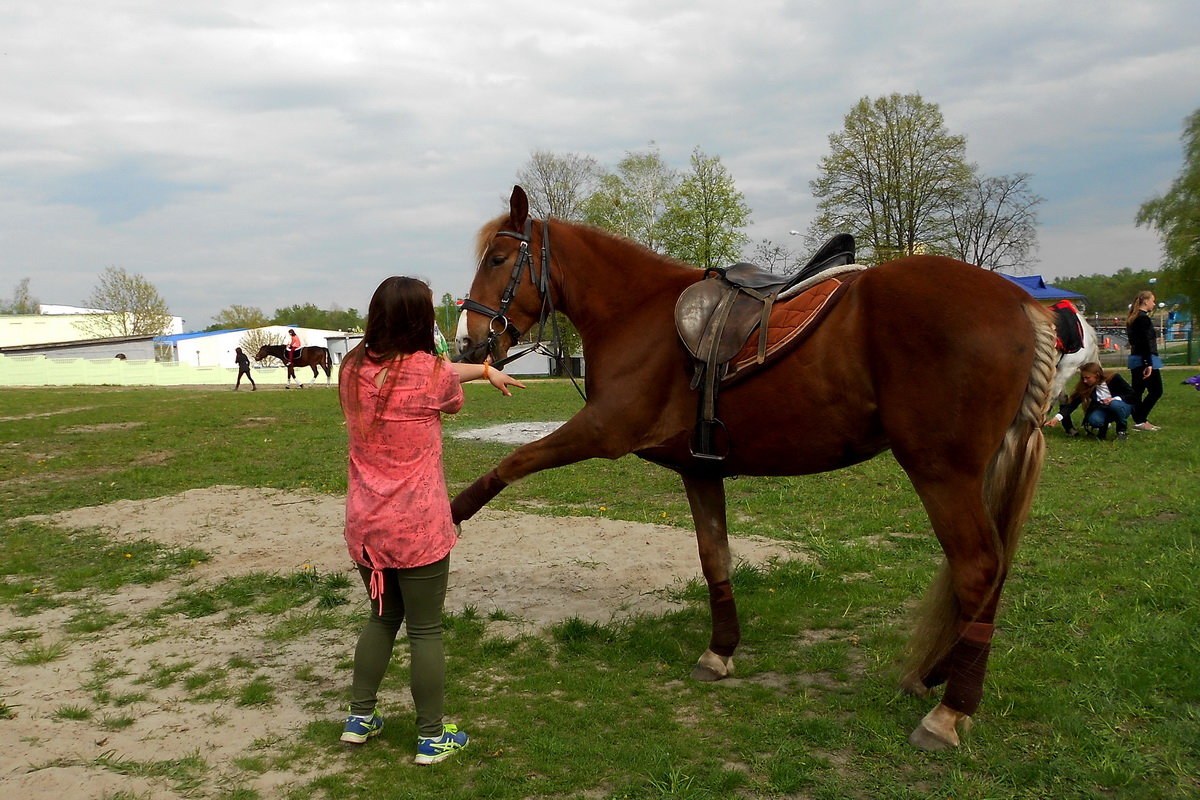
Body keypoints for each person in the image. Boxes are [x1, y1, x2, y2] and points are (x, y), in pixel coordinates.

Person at [337, 276, 523, 765]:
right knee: (425, 631)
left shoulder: (350, 365)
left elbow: (428, 370)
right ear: (422, 319)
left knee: (381, 618)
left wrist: (483, 370)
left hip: (366, 526)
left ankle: (360, 718)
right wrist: (485, 369)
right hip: (418, 527)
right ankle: (431, 736)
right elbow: (439, 378)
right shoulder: (432, 373)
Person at [1044, 362, 1135, 440]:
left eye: (1087, 378)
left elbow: (1131, 394)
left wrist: (1114, 399)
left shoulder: (1114, 378)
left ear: (1097, 375)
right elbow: (1072, 405)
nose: (1084, 381)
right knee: (1094, 420)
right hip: (1103, 409)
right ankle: (1102, 429)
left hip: (1122, 406)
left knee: (1114, 405)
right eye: (1083, 378)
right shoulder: (1086, 387)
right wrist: (1057, 418)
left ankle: (1121, 430)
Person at [1125, 290, 1163, 431]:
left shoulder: (1133, 318)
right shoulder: (1142, 319)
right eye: (1153, 300)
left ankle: (1140, 420)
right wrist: (1149, 363)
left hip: (1137, 358)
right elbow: (1145, 342)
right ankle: (1140, 420)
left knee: (1137, 391)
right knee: (1156, 391)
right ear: (1145, 301)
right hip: (1145, 359)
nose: (1154, 303)